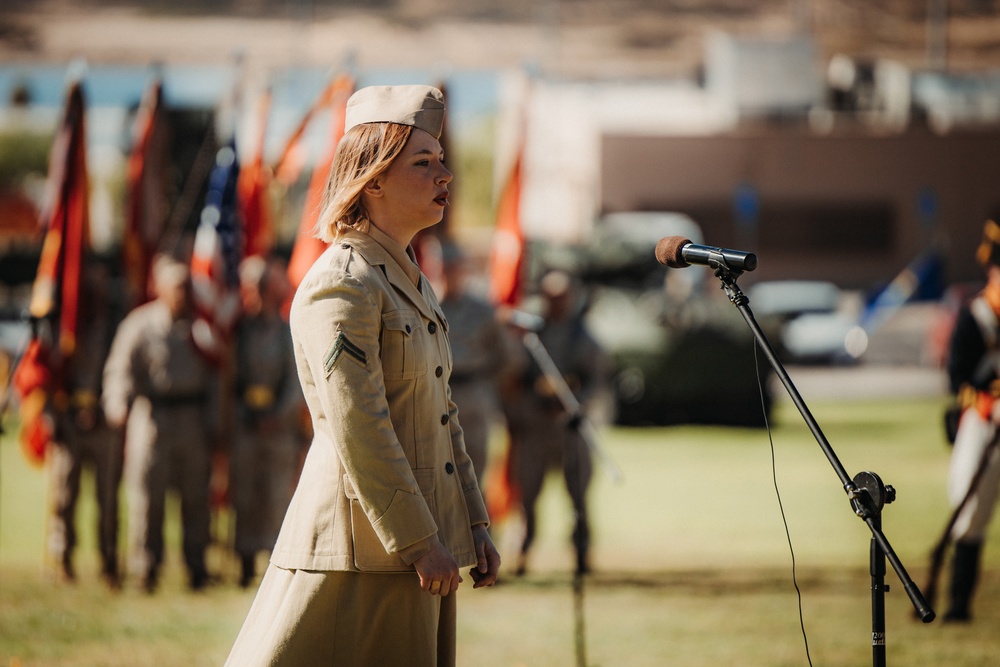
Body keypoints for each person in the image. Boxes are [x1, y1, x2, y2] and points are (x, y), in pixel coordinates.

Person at [224, 84, 500, 667]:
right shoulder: (343, 282)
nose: (445, 175)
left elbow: (440, 414)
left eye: (441, 159)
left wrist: (472, 520)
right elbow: (360, 426)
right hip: (359, 550)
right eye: (423, 163)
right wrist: (421, 540)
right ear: (372, 179)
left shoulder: (411, 279)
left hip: (416, 547)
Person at [102, 254, 219, 593]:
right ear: (161, 289)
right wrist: (116, 402)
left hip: (192, 419)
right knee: (147, 497)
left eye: (186, 287)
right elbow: (119, 369)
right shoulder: (139, 325)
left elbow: (215, 377)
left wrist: (216, 422)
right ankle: (145, 567)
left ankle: (196, 566)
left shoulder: (202, 328)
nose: (182, 293)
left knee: (196, 497)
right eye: (176, 287)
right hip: (151, 418)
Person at [506, 270, 611, 577]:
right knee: (528, 497)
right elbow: (514, 380)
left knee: (578, 496)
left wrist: (575, 405)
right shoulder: (530, 333)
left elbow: (598, 379)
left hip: (570, 428)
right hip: (535, 426)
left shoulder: (584, 335)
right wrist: (528, 408)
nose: (557, 303)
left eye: (562, 297)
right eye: (551, 297)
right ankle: (522, 554)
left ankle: (581, 554)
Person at [230, 255, 306, 588]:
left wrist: (277, 414)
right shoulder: (238, 332)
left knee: (277, 495)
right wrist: (239, 413)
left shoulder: (288, 331)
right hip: (245, 426)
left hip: (279, 429)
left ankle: (276, 563)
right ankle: (245, 560)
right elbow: (227, 379)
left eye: (263, 287)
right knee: (244, 494)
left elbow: (296, 381)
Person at [46, 258, 123, 588]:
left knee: (107, 498)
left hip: (104, 421)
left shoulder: (114, 327)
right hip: (70, 423)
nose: (96, 294)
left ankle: (108, 560)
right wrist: (56, 416)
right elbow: (51, 374)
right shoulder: (65, 327)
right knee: (65, 496)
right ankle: (64, 557)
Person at [942, 218, 1000, 622]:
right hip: (985, 422)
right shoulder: (976, 316)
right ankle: (958, 603)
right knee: (970, 512)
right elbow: (957, 377)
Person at [438, 241, 523, 485]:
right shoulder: (424, 304)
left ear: (463, 270)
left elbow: (509, 356)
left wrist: (488, 384)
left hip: (474, 391)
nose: (450, 273)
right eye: (445, 267)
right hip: (438, 392)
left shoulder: (482, 310)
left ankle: (480, 523)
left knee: (474, 470)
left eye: (455, 267)